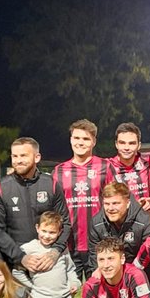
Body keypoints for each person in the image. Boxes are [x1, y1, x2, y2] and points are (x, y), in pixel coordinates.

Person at [0, 137, 71, 275]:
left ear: (37, 157)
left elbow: (66, 223)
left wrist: (55, 252)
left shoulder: (51, 184)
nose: (18, 160)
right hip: (17, 266)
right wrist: (21, 258)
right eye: (14, 156)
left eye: (23, 155)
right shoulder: (0, 187)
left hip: (48, 263)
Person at [52, 119, 110, 277]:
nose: (80, 142)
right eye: (76, 138)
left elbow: (115, 199)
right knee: (66, 293)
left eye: (85, 139)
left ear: (93, 141)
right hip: (69, 244)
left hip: (99, 242)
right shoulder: (58, 171)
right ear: (71, 140)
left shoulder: (105, 167)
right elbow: (55, 209)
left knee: (101, 293)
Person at [86, 181, 150, 272]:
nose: (110, 208)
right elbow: (95, 256)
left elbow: (147, 257)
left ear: (128, 203)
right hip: (109, 272)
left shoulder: (145, 222)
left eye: (116, 203)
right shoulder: (96, 223)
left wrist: (130, 277)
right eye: (107, 204)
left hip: (141, 272)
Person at [107, 122, 150, 211]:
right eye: (122, 143)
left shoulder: (147, 163)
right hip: (120, 223)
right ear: (116, 144)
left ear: (139, 145)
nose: (126, 147)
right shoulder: (107, 167)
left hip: (146, 222)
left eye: (132, 143)